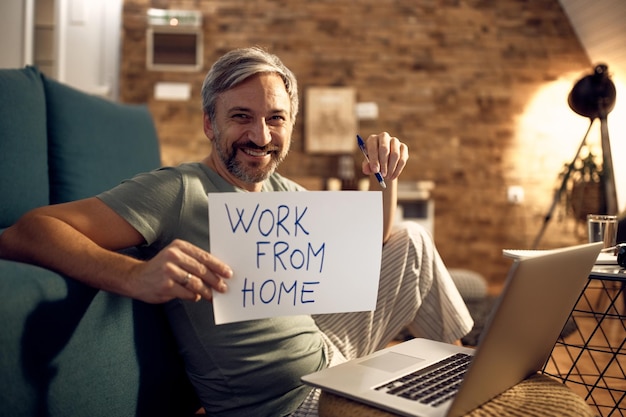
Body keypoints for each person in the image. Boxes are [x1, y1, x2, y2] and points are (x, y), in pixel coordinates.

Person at [0, 47, 473, 416]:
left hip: (328, 357)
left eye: (275, 118)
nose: (261, 136)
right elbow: (26, 231)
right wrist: (132, 276)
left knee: (410, 238)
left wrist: (383, 178)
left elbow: (372, 250)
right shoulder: (178, 190)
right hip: (284, 406)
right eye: (241, 116)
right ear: (210, 123)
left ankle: (469, 374)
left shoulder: (285, 192)